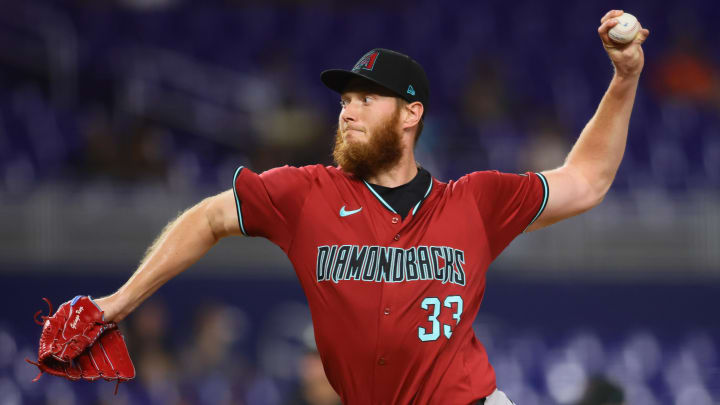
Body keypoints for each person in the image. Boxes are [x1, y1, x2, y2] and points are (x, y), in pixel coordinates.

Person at [92, 10, 649, 405]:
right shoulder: (305, 194)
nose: (348, 113)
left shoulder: (475, 201)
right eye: (344, 101)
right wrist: (117, 303)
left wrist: (624, 79)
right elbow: (208, 217)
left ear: (411, 115)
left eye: (365, 99)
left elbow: (586, 180)